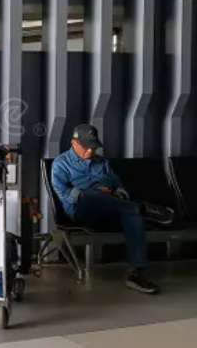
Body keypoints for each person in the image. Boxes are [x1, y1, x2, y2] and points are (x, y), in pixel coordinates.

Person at [51, 124, 159, 295]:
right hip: (82, 211)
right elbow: (65, 195)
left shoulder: (102, 163)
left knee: (132, 216)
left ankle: (136, 273)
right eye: (86, 147)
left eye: (93, 147)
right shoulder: (61, 164)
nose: (90, 151)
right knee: (94, 196)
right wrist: (93, 191)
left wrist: (115, 192)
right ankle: (141, 207)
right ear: (74, 143)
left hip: (109, 209)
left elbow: (120, 188)